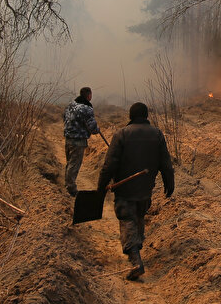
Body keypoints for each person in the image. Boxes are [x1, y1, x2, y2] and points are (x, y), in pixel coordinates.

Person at [97, 101, 174, 281]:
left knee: (127, 219)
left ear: (130, 116)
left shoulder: (121, 134)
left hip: (125, 188)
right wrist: (169, 182)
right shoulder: (157, 134)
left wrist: (101, 186)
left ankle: (135, 259)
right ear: (146, 116)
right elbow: (166, 162)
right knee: (139, 216)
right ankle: (137, 246)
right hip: (146, 188)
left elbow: (109, 165)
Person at [63, 86, 101, 196]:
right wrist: (97, 129)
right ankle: (70, 188)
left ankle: (67, 183)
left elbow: (64, 118)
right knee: (74, 164)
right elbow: (92, 127)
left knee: (70, 163)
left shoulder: (70, 105)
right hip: (78, 140)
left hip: (68, 138)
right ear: (89, 95)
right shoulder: (87, 108)